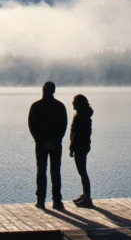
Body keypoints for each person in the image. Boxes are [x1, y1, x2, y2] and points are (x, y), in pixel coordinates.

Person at [28, 81, 68, 210]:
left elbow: (32, 125)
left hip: (41, 144)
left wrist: (39, 140)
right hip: (55, 144)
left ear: (43, 90)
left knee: (42, 172)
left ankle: (41, 201)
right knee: (55, 172)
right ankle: (57, 201)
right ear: (54, 91)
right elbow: (63, 126)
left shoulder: (36, 106)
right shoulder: (60, 106)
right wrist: (56, 140)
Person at [69, 94, 94, 208]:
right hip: (84, 145)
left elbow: (77, 134)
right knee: (82, 172)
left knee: (82, 172)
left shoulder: (80, 116)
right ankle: (85, 195)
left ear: (79, 103)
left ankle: (87, 198)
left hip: (80, 146)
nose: (72, 103)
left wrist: (71, 147)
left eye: (74, 101)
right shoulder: (84, 115)